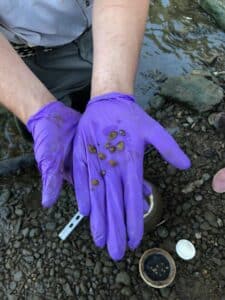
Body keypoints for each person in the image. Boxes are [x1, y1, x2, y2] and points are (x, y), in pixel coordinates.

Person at [0, 0, 190, 260]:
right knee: (49, 134)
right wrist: (35, 109)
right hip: (20, 57)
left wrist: (112, 88)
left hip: (103, 29)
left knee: (91, 102)